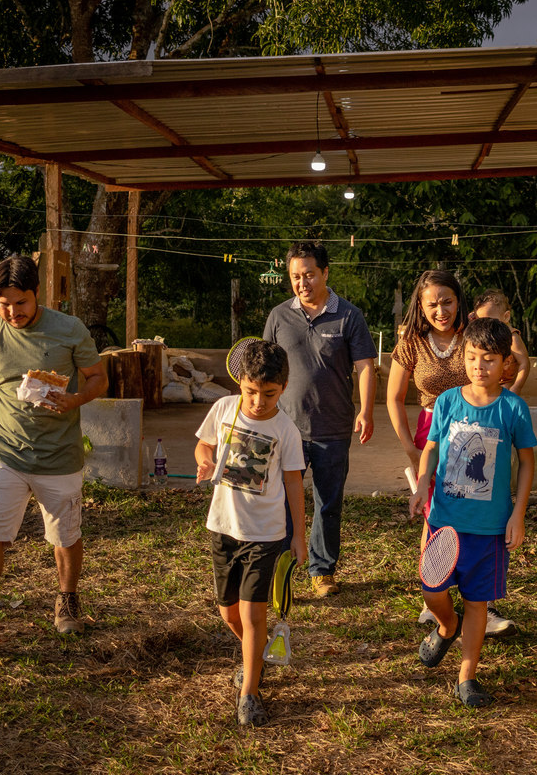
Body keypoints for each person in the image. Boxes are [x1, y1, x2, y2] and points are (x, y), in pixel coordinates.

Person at [0, 255, 108, 654]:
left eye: (20, 302)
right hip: (5, 453)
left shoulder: (68, 329)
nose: (12, 312)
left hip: (59, 455)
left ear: (37, 293)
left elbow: (98, 378)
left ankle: (67, 603)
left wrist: (75, 400)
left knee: (65, 535)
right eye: (3, 304)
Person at [408, 317, 537, 707]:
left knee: (477, 602)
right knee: (433, 591)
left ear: (506, 364)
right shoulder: (447, 401)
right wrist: (422, 485)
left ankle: (467, 677)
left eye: (489, 359)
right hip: (444, 521)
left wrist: (517, 514)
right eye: (471, 357)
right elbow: (431, 448)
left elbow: (527, 462)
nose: (478, 366)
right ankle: (447, 627)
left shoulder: (513, 408)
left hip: (489, 529)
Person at [386, 270, 517, 638]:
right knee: (435, 514)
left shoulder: (473, 336)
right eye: (432, 304)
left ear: (460, 301)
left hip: (477, 432)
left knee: (476, 511)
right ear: (420, 305)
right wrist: (410, 449)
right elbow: (394, 398)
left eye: (447, 301)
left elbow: (510, 366)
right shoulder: (411, 342)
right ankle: (435, 600)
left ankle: (482, 604)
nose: (440, 310)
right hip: (431, 432)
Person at [194, 339, 307, 727]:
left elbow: (294, 483)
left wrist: (299, 536)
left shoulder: (285, 430)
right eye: (251, 391)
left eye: (269, 394)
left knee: (253, 613)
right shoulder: (224, 408)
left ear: (283, 388)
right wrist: (205, 460)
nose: (258, 402)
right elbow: (204, 445)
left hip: (265, 534)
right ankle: (254, 657)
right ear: (239, 383)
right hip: (223, 527)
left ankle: (250, 692)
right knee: (228, 613)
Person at [263, 240, 376, 598]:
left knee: (328, 503)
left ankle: (322, 571)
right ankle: (281, 569)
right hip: (286, 428)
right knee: (281, 502)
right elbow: (264, 368)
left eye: (309, 274)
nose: (303, 282)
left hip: (333, 428)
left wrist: (366, 410)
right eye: (296, 276)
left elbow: (365, 367)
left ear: (325, 273)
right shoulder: (279, 316)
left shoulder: (349, 316)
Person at [472, 289, 530, 395]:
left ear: (506, 317)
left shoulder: (512, 338)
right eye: (481, 321)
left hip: (506, 384)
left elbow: (524, 363)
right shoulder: (484, 338)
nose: (485, 326)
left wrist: (517, 387)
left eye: (490, 321)